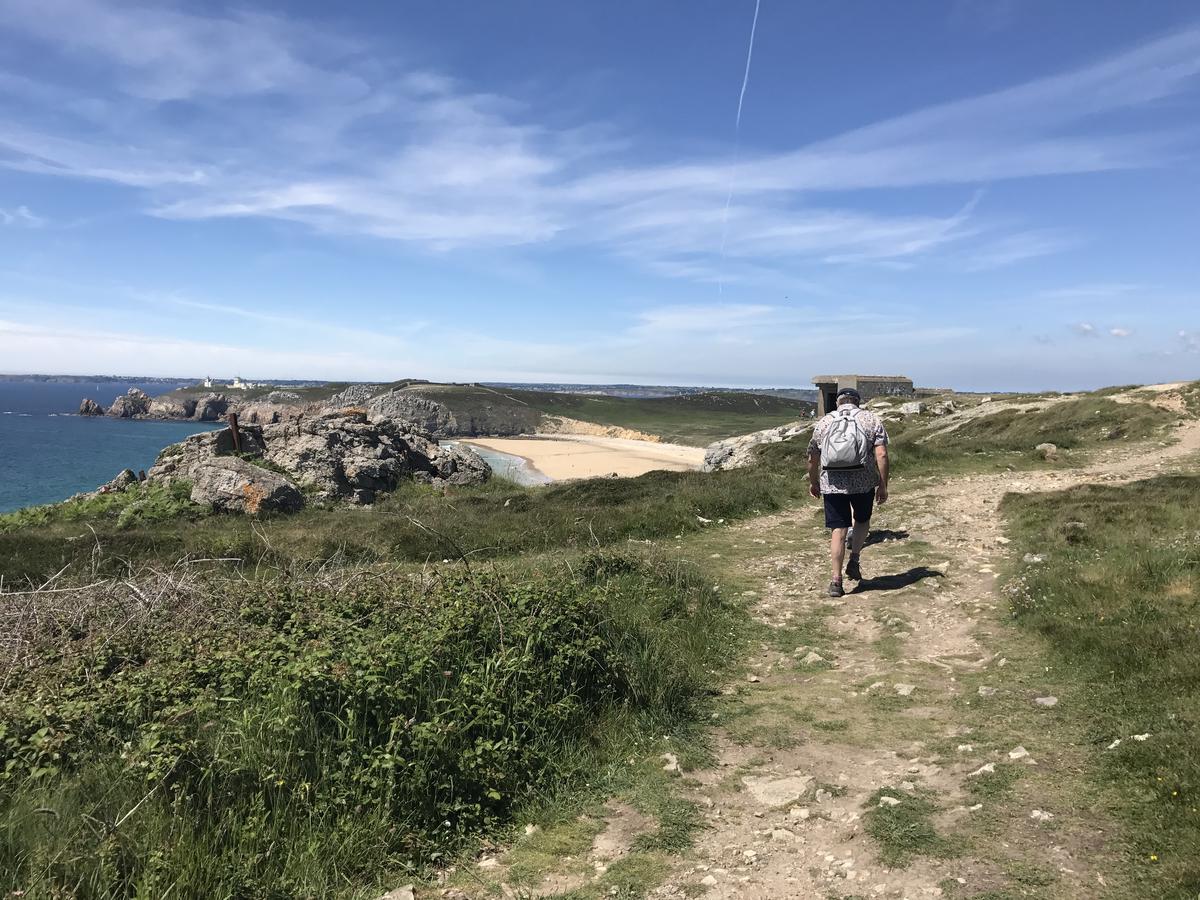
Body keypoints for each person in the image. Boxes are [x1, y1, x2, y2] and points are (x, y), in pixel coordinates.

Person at [807, 388, 890, 597]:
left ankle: (836, 582)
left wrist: (814, 482)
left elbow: (812, 457)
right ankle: (854, 559)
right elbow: (881, 453)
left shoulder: (825, 422)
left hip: (832, 483)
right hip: (863, 482)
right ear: (857, 402)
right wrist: (883, 484)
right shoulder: (870, 419)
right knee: (861, 520)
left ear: (838, 402)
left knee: (838, 530)